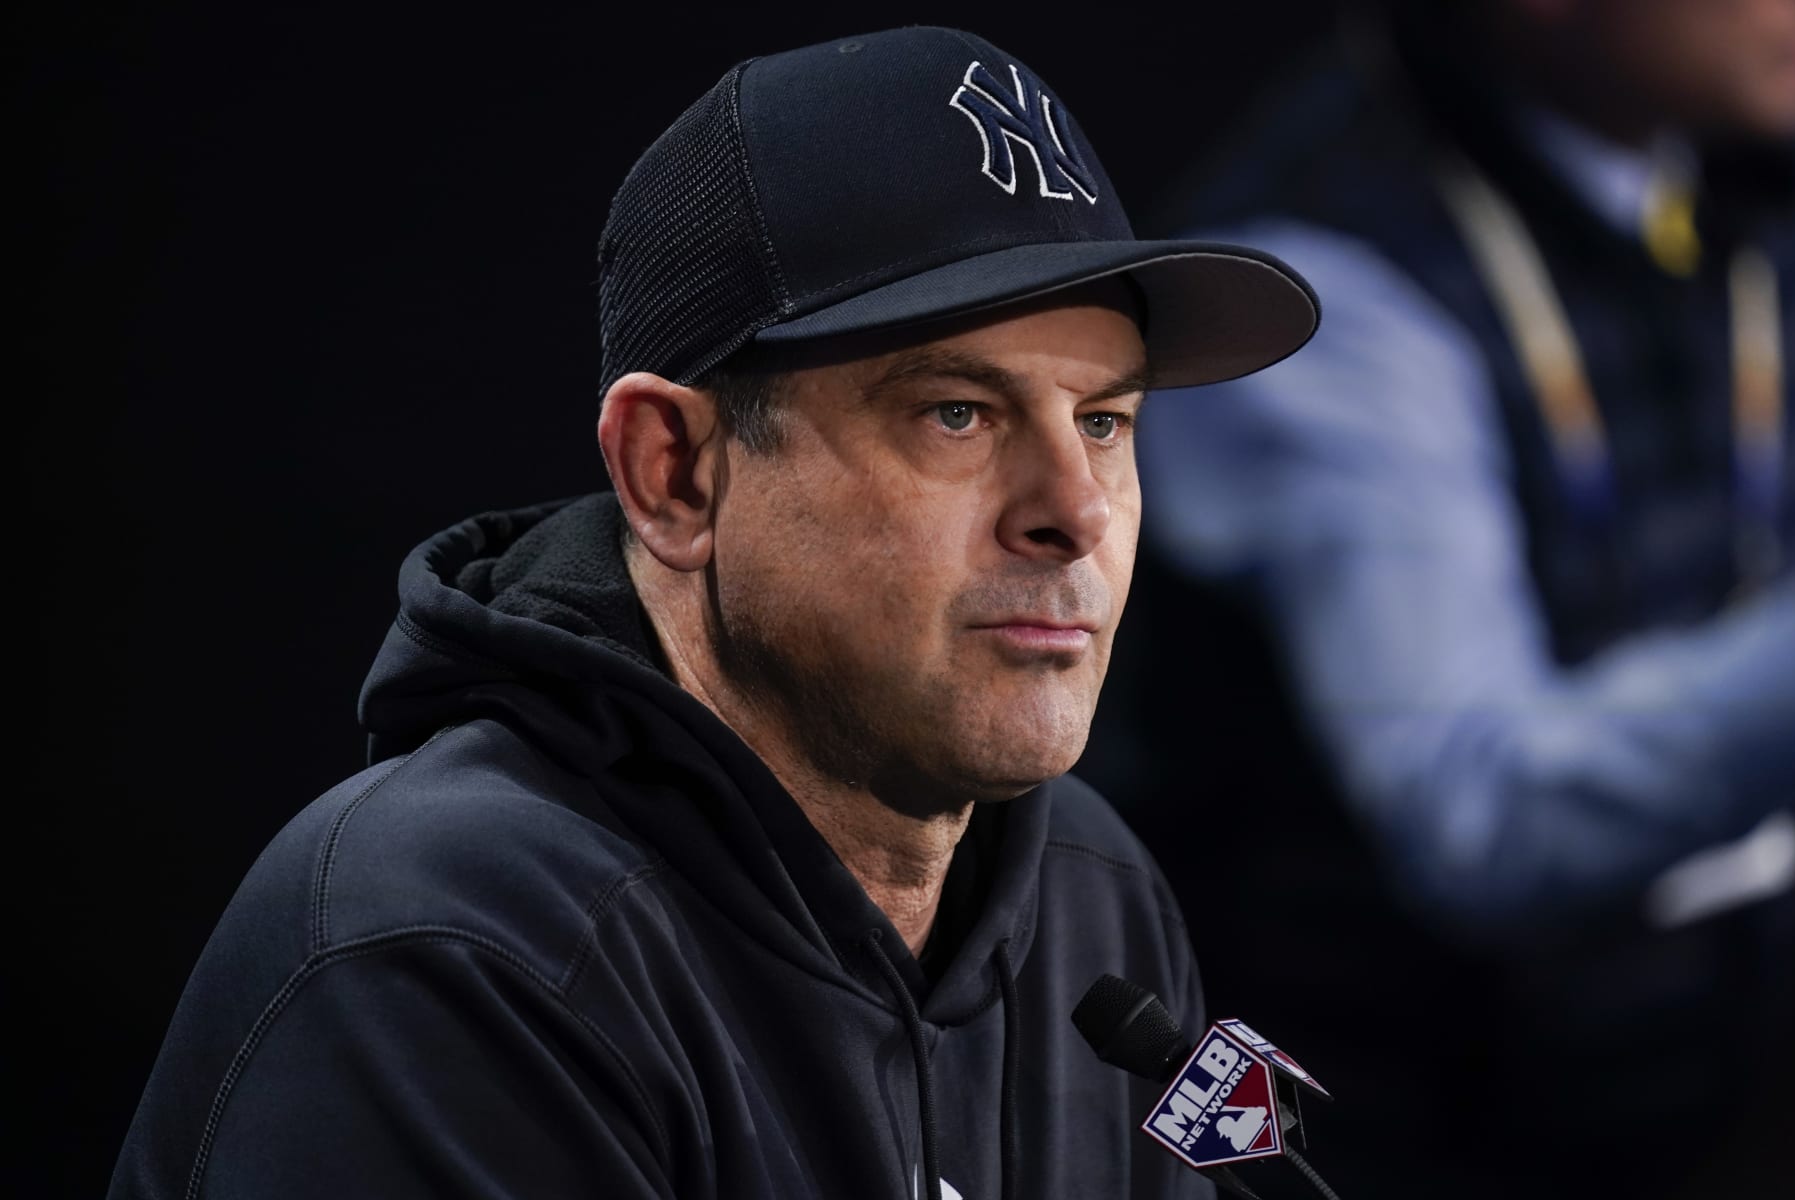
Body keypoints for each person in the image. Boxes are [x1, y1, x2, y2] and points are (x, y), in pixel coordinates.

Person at [106, 26, 1318, 1200]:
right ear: (675, 472)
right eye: (957, 413)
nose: (1076, 512)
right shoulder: (448, 945)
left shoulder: (1092, 895)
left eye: (1103, 421)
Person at [1086, 1, 1795, 1196]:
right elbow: (1477, 813)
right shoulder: (1319, 290)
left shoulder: (1726, 183)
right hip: (1360, 1148)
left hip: (1680, 1111)